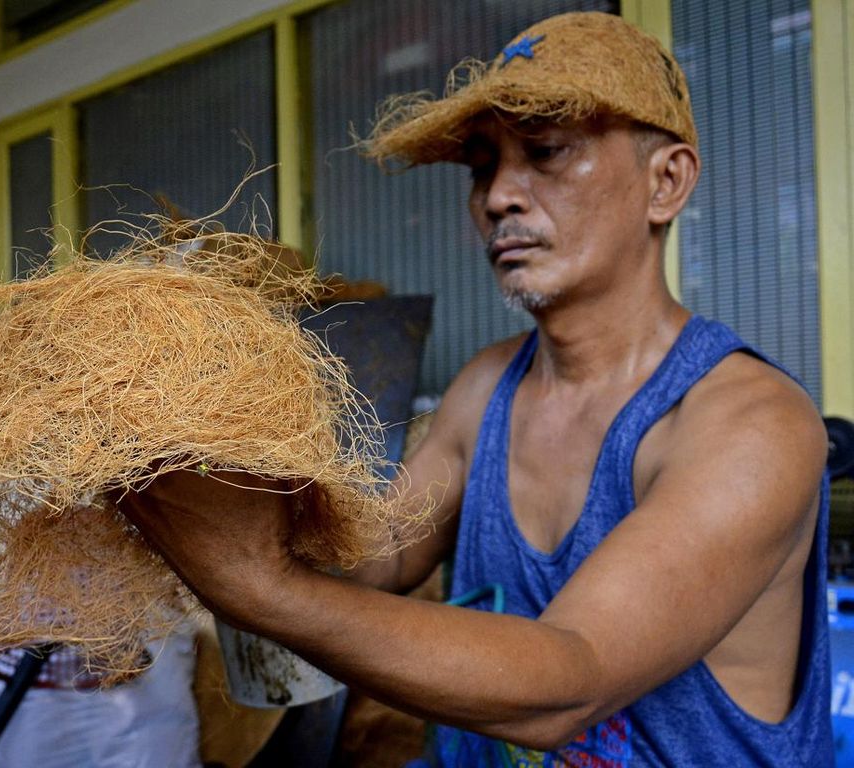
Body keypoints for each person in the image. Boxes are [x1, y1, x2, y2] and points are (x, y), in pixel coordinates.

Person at [120, 11, 832, 766]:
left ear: (667, 182)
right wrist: (216, 455)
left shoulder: (753, 424)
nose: (499, 198)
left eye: (547, 152)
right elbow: (380, 559)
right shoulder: (486, 386)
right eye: (482, 167)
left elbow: (572, 675)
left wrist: (256, 583)